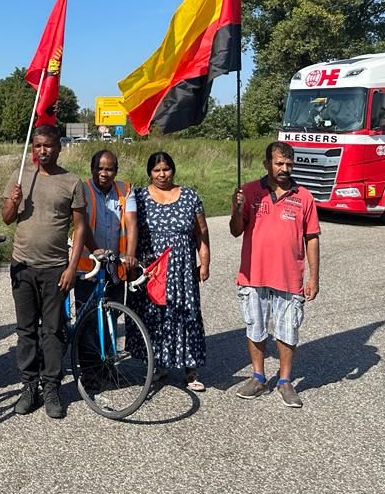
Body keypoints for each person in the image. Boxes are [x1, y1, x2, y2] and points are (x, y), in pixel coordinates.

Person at [1, 124, 87, 419]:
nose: (42, 151)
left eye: (48, 145)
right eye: (37, 145)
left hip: (55, 269)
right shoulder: (20, 176)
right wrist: (13, 201)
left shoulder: (72, 182)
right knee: (26, 331)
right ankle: (29, 386)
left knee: (52, 331)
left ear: (59, 147)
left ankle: (51, 387)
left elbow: (80, 228)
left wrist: (72, 267)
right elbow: (7, 218)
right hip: (22, 266)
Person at [230, 141, 320, 408]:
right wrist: (237, 208)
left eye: (289, 164)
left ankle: (285, 380)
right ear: (266, 164)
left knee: (288, 330)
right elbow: (236, 231)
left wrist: (313, 277)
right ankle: (258, 377)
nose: (284, 168)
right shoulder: (249, 191)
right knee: (255, 327)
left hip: (289, 277)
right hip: (253, 274)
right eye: (279, 163)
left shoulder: (304, 196)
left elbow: (312, 238)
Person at [132, 151, 211, 391]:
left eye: (166, 169)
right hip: (152, 270)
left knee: (186, 314)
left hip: (182, 270)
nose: (162, 174)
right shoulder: (139, 196)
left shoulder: (189, 196)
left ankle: (190, 370)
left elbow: (201, 232)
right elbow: (128, 228)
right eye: (156, 170)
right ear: (149, 172)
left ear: (173, 170)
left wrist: (205, 262)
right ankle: (159, 364)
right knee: (154, 316)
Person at [75, 149, 138, 309]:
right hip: (88, 265)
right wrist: (96, 251)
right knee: (87, 315)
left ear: (116, 171)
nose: (104, 173)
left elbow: (131, 224)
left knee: (113, 313)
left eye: (109, 169)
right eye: (100, 168)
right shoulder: (81, 190)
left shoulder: (125, 190)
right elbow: (81, 224)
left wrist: (130, 255)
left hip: (114, 264)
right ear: (92, 169)